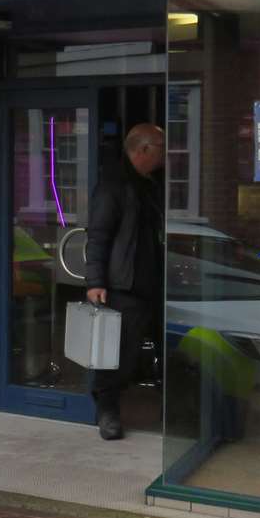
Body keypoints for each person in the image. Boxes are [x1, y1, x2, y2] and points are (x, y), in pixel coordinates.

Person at [83, 123, 167, 441]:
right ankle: (107, 413)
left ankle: (174, 411)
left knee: (160, 351)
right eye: (161, 148)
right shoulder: (114, 184)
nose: (166, 155)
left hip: (155, 284)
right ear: (143, 150)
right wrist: (95, 281)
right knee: (116, 355)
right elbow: (98, 235)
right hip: (125, 287)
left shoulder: (152, 184)